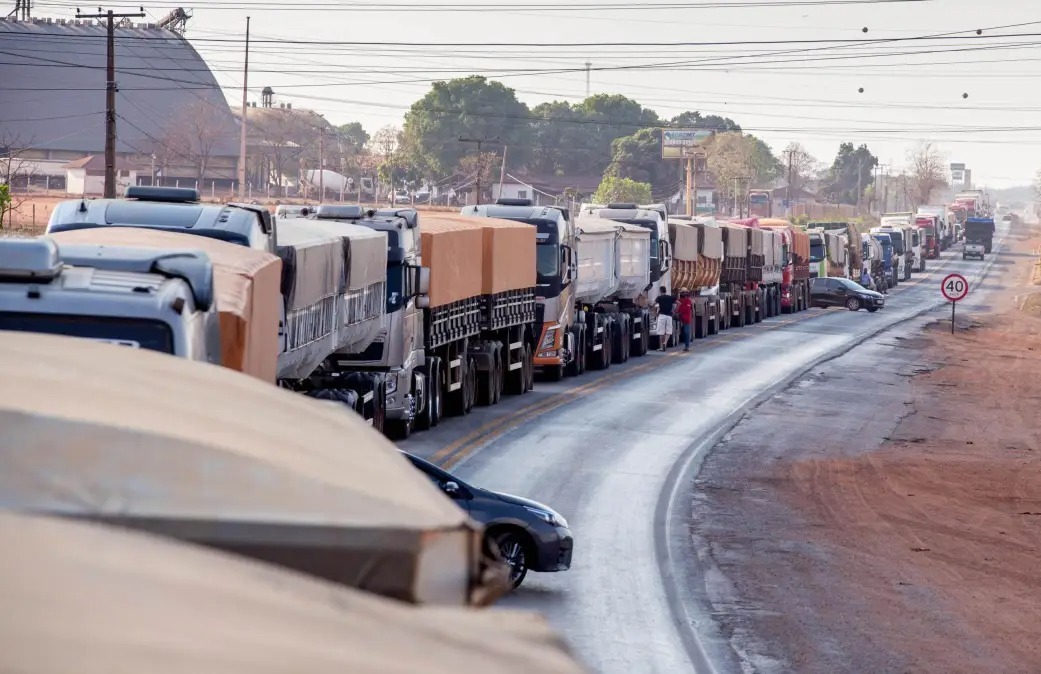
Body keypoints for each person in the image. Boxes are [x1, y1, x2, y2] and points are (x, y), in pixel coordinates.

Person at [653, 286, 676, 351]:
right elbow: (679, 303)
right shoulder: (671, 297)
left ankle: (661, 346)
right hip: (669, 316)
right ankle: (665, 343)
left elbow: (653, 304)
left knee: (661, 332)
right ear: (665, 291)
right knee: (668, 331)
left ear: (660, 291)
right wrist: (674, 310)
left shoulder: (659, 298)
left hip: (661, 316)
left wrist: (655, 313)